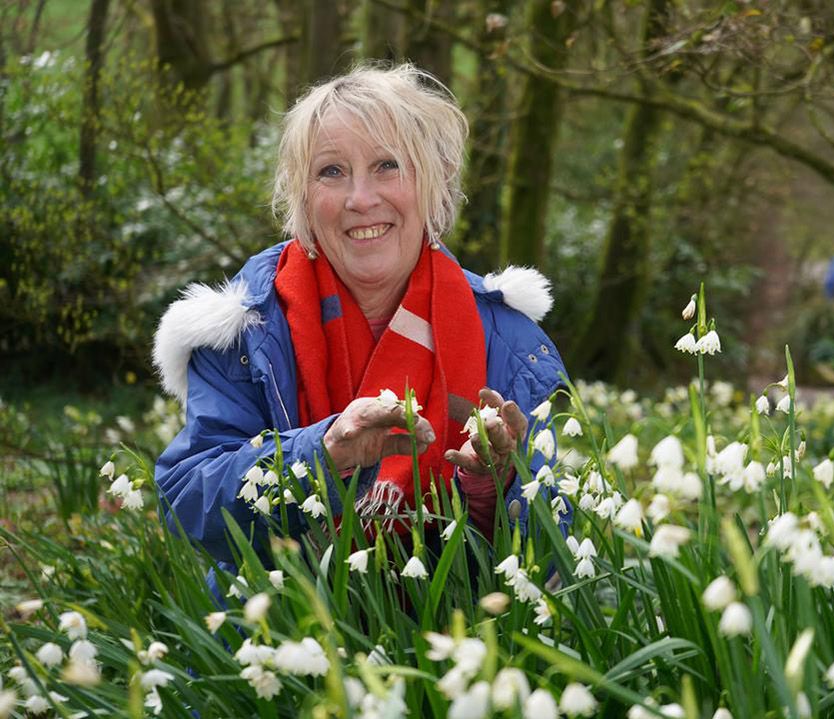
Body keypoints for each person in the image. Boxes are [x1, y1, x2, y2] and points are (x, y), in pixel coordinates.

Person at [152, 64, 566, 572]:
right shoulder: (245, 330)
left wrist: (494, 484)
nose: (361, 199)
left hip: (465, 636)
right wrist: (322, 454)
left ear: (434, 182)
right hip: (287, 636)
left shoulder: (512, 338)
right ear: (303, 197)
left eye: (388, 165)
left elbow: (555, 549)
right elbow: (185, 505)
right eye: (332, 171)